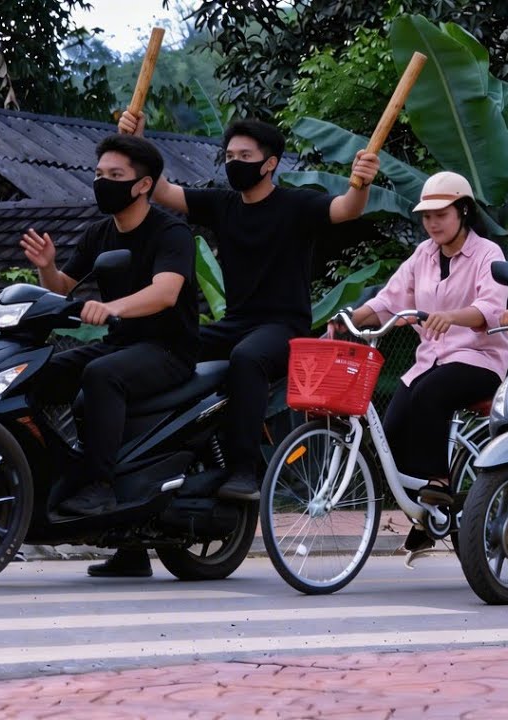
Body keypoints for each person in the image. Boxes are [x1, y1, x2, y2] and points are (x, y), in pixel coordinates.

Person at [85, 112, 380, 577]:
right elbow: (160, 190)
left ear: (271, 164)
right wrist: (134, 144)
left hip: (283, 326)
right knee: (152, 355)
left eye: (246, 156)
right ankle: (135, 518)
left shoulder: (296, 205)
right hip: (234, 321)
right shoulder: (222, 204)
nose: (234, 162)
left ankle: (245, 470)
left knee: (245, 360)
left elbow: (346, 209)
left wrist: (360, 183)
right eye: (230, 156)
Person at [19, 134, 199, 518]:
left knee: (100, 376)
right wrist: (47, 266)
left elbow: (165, 293)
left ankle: (99, 486)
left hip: (168, 350)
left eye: (115, 175)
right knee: (36, 373)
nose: (102, 182)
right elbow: (63, 288)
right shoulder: (98, 233)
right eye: (99, 173)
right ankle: (54, 472)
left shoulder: (171, 233)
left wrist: (111, 307)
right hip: (121, 345)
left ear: (143, 185)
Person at [341, 172, 508, 554]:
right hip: (429, 361)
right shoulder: (423, 255)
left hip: (479, 358)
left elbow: (491, 308)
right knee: (391, 429)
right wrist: (347, 318)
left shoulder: (488, 254)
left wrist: (453, 316)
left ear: (463, 211)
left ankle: (440, 483)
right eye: (426, 216)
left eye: (441, 214)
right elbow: (389, 299)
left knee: (430, 395)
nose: (432, 223)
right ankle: (429, 515)